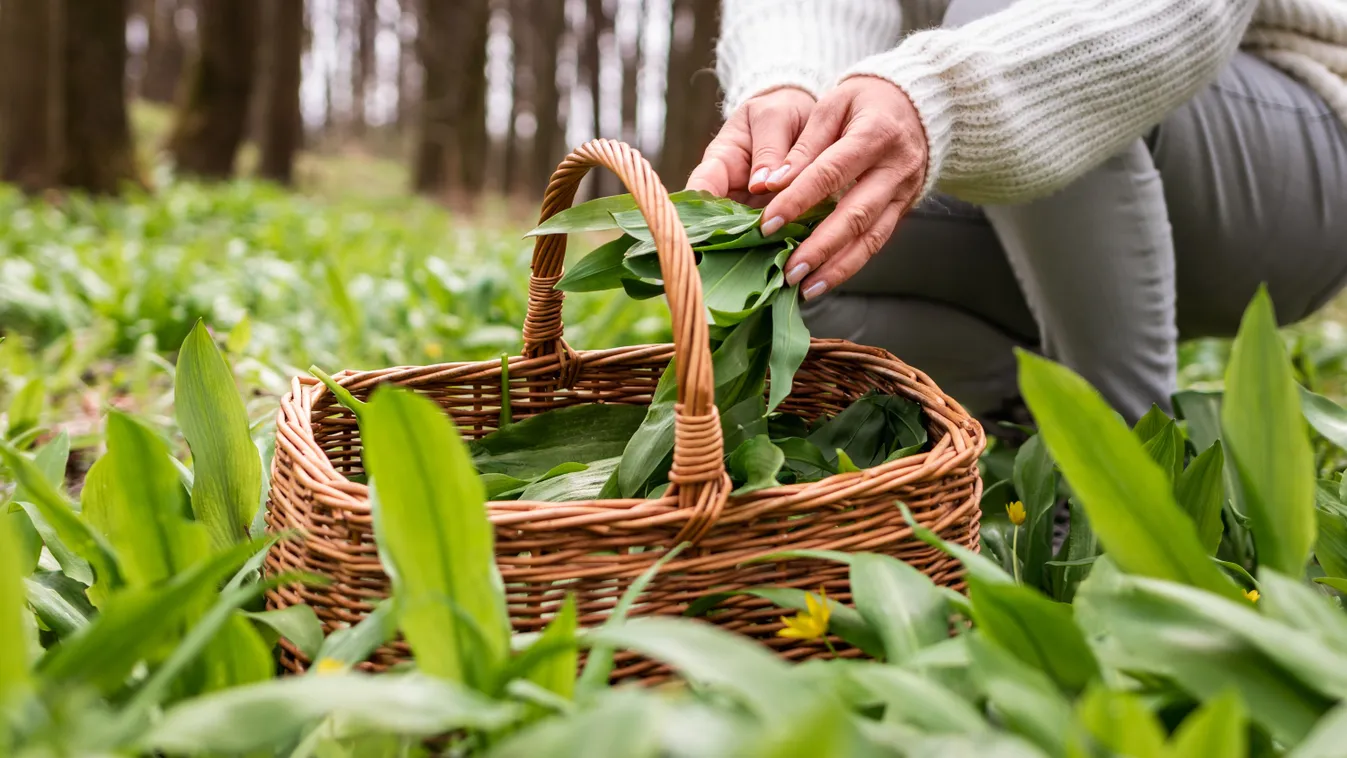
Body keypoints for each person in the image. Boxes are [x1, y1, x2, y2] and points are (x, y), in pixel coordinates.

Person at [687, 0, 1347, 426]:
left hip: (1287, 154)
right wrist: (791, 88)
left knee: (999, 12)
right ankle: (1035, 414)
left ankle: (1124, 469)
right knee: (778, 263)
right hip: (1023, 184)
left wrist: (941, 93)